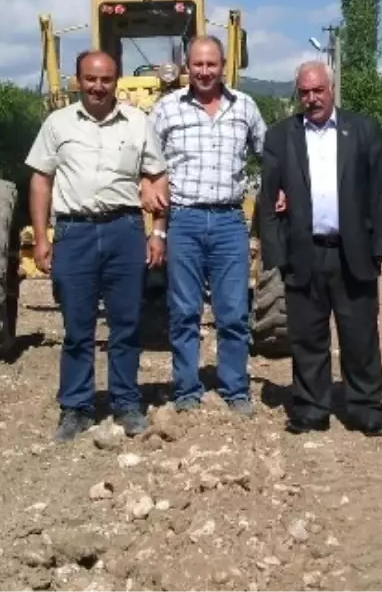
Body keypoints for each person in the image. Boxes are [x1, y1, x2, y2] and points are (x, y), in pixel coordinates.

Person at [26, 50, 169, 443]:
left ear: (116, 81)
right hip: (75, 233)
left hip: (124, 230)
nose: (98, 86)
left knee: (125, 324)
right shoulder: (58, 124)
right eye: (90, 79)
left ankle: (125, 403)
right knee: (78, 327)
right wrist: (42, 238)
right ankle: (76, 407)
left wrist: (157, 232)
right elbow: (41, 181)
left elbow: (157, 177)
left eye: (106, 79)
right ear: (78, 80)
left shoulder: (138, 123)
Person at [257, 60, 382, 436]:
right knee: (307, 337)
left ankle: (365, 407)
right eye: (304, 92)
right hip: (304, 251)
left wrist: (381, 246)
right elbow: (268, 201)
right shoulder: (280, 136)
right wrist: (275, 256)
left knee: (360, 335)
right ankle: (310, 408)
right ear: (297, 94)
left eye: (318, 90)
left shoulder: (363, 130)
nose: (312, 98)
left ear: (331, 89)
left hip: (353, 251)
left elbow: (381, 193)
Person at [150, 35, 267, 416]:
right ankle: (186, 390)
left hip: (230, 221)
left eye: (211, 64)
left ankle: (235, 389)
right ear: (187, 67)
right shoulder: (167, 109)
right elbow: (149, 163)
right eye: (197, 65)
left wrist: (280, 191)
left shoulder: (245, 107)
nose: (204, 72)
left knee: (233, 312)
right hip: (183, 220)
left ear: (222, 66)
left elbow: (269, 154)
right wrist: (156, 220)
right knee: (184, 311)